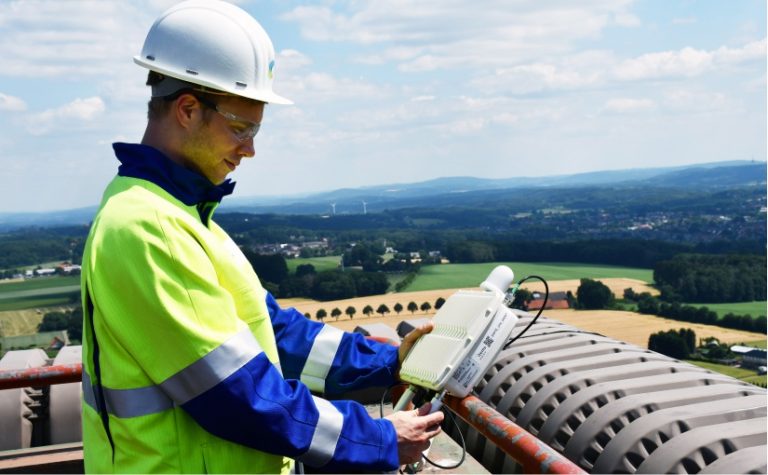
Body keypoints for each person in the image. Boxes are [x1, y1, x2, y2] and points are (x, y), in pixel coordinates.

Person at [79, 0, 444, 473]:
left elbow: (274, 333)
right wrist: (376, 438)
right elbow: (236, 395)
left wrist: (387, 362)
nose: (249, 149)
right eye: (240, 128)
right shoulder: (147, 228)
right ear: (187, 109)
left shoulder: (184, 217)